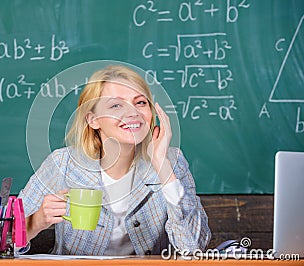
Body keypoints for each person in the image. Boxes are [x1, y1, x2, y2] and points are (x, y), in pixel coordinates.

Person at [18, 65, 211, 256]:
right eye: (116, 105)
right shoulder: (62, 163)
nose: (133, 113)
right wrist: (35, 222)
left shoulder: (172, 162)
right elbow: (3, 241)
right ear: (93, 120)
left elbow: (193, 249)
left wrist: (163, 167)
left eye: (141, 103)